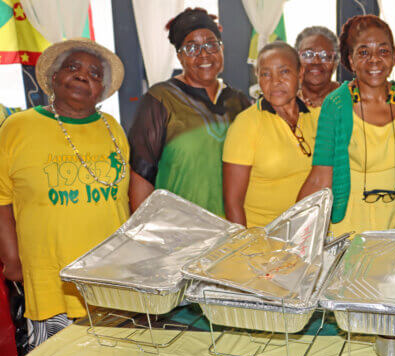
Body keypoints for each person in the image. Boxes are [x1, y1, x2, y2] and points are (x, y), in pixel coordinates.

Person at [0, 38, 129, 349]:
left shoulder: (113, 128)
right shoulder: (18, 127)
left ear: (101, 91)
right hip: (49, 280)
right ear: (53, 77)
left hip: (109, 279)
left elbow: (122, 202)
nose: (83, 75)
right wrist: (11, 257)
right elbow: (2, 199)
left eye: (95, 74)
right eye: (72, 67)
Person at [298, 15, 395, 237]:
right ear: (351, 61)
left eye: (383, 51)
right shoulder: (335, 104)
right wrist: (296, 229)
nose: (375, 60)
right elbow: (320, 177)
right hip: (350, 224)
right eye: (363, 52)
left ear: (393, 58)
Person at [128, 8, 250, 216]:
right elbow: (140, 178)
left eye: (211, 44)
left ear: (222, 48)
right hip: (180, 233)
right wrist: (152, 239)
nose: (203, 54)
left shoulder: (239, 102)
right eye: (191, 48)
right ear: (179, 57)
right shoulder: (160, 100)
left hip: (235, 230)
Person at [222, 42, 316, 227]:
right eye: (265, 74)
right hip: (261, 242)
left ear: (301, 73)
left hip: (307, 237)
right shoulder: (246, 124)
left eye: (284, 72)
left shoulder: (317, 118)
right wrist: (245, 248)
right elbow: (233, 203)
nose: (275, 81)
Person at [295, 26, 341, 111]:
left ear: (335, 62)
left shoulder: (354, 98)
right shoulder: (284, 103)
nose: (316, 61)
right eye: (308, 55)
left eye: (325, 55)